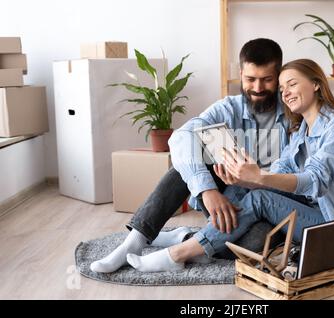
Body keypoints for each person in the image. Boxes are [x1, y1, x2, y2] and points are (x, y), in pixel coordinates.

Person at [123, 59, 334, 279]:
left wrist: (259, 177)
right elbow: (281, 170)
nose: (285, 92)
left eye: (292, 84)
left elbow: (313, 181)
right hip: (305, 211)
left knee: (257, 211)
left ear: (317, 84)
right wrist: (244, 178)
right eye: (283, 87)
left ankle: (180, 252)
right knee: (243, 194)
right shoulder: (300, 132)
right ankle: (174, 240)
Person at [90, 38, 292, 273]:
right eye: (250, 79)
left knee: (258, 246)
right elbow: (181, 137)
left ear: (279, 75)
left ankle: (186, 238)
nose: (257, 88)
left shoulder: (293, 113)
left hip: (264, 206)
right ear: (240, 74)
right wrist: (207, 190)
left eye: (266, 80)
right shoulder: (229, 108)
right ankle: (134, 242)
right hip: (225, 200)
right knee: (184, 161)